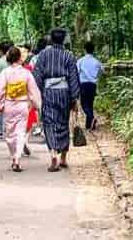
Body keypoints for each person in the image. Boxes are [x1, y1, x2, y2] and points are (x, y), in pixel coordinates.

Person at [32, 28, 80, 172]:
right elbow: (73, 77)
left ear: (51, 39)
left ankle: (53, 153)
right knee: (63, 123)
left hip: (48, 92)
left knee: (49, 122)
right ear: (64, 39)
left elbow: (37, 75)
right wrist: (74, 98)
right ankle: (63, 158)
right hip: (64, 93)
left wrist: (37, 94)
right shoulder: (69, 56)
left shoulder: (43, 55)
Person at [0, 46, 41, 172]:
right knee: (21, 132)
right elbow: (33, 90)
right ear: (20, 58)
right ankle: (17, 158)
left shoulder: (5, 72)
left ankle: (13, 155)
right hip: (22, 105)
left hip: (9, 105)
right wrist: (36, 104)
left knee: (9, 133)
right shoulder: (26, 73)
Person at [77, 41, 104, 131]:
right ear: (93, 50)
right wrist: (95, 77)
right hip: (93, 85)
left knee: (84, 104)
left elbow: (76, 72)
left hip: (83, 84)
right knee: (90, 103)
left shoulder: (80, 61)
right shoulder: (97, 62)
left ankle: (91, 118)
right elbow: (101, 71)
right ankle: (89, 125)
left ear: (85, 50)